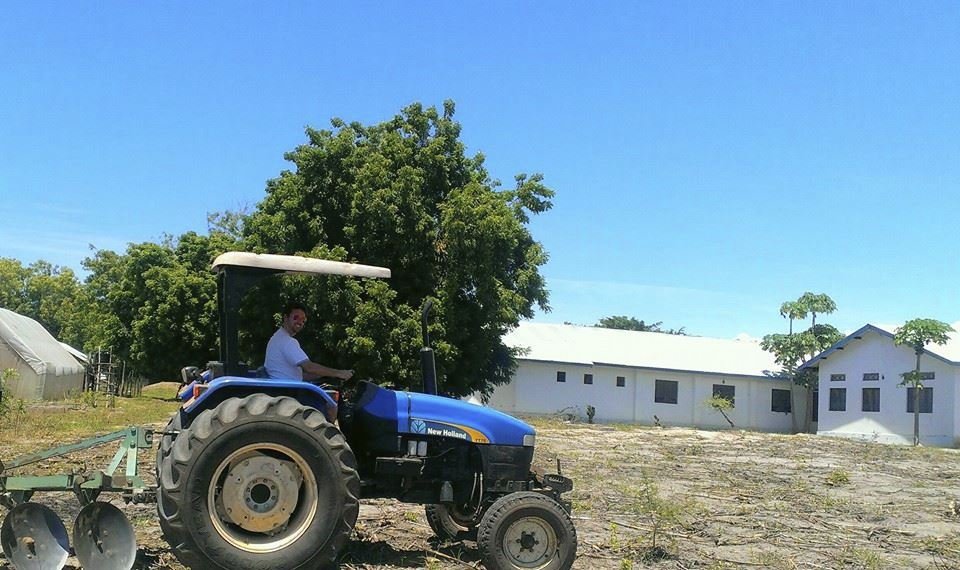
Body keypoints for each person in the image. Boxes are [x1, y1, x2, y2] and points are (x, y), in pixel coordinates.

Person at [264, 302, 354, 382]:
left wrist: (324, 373)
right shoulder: (287, 342)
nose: (300, 322)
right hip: (290, 392)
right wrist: (339, 373)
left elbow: (297, 376)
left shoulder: (276, 338)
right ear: (285, 318)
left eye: (303, 320)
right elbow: (309, 367)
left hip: (284, 388)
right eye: (296, 317)